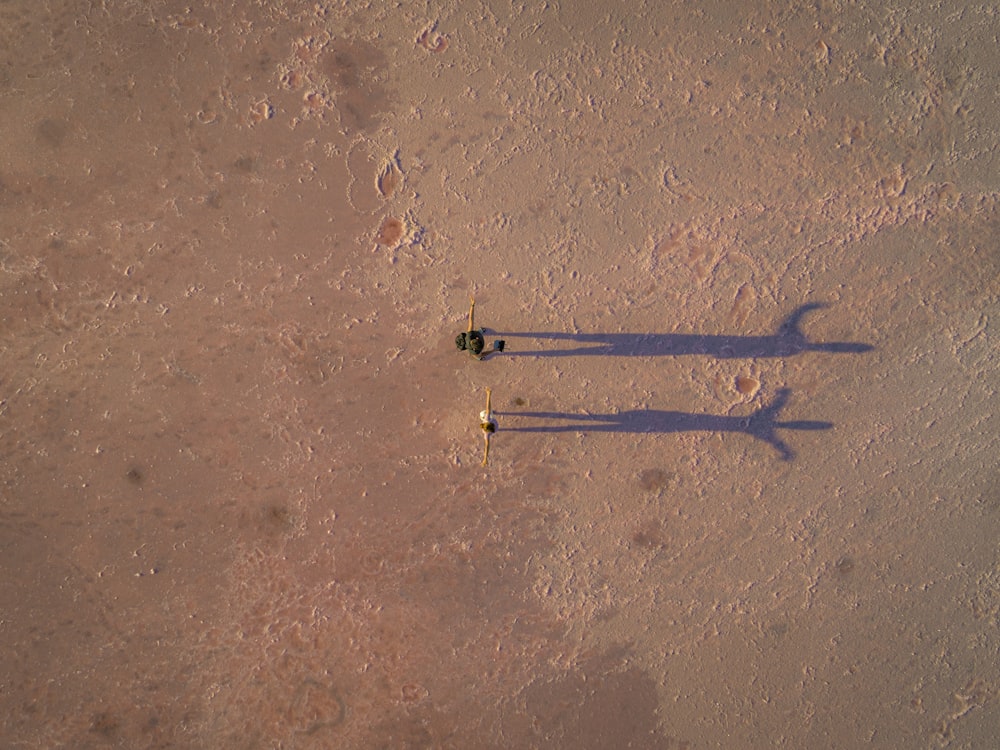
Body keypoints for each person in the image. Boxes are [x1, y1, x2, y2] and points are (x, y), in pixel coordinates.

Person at [480, 387, 498, 466]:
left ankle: (492, 413)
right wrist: (488, 395)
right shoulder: (488, 420)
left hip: (496, 427)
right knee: (487, 413)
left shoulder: (486, 434)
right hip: (495, 424)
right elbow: (488, 407)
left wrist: (485, 459)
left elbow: (487, 446)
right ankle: (493, 413)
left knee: (481, 414)